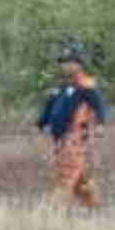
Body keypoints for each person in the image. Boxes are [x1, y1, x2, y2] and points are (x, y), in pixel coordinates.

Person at [37, 47, 107, 208]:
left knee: (66, 175)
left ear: (79, 64)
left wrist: (101, 125)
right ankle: (94, 208)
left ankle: (52, 211)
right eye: (63, 62)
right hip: (59, 139)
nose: (64, 66)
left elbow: (99, 105)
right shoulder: (62, 87)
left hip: (74, 137)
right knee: (80, 179)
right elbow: (50, 109)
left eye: (69, 62)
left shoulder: (85, 85)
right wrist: (42, 123)